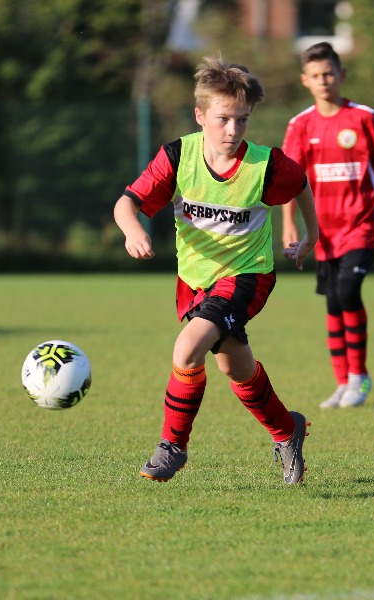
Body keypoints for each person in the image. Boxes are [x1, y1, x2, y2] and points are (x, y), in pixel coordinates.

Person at [114, 54, 320, 485]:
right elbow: (127, 203)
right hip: (195, 281)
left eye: (242, 120)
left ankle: (172, 446)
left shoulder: (265, 165)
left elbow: (301, 184)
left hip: (248, 275)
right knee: (236, 368)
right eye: (224, 119)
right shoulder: (178, 156)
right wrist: (132, 229)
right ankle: (288, 431)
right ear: (200, 115)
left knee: (187, 348)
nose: (233, 130)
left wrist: (310, 237)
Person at [281, 42, 374, 409]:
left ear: (342, 74)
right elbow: (291, 179)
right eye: (316, 75)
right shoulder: (300, 125)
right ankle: (341, 381)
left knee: (348, 291)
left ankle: (359, 377)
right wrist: (289, 223)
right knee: (334, 301)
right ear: (305, 81)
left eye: (329, 73)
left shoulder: (364, 118)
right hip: (322, 232)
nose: (324, 81)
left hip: (362, 225)